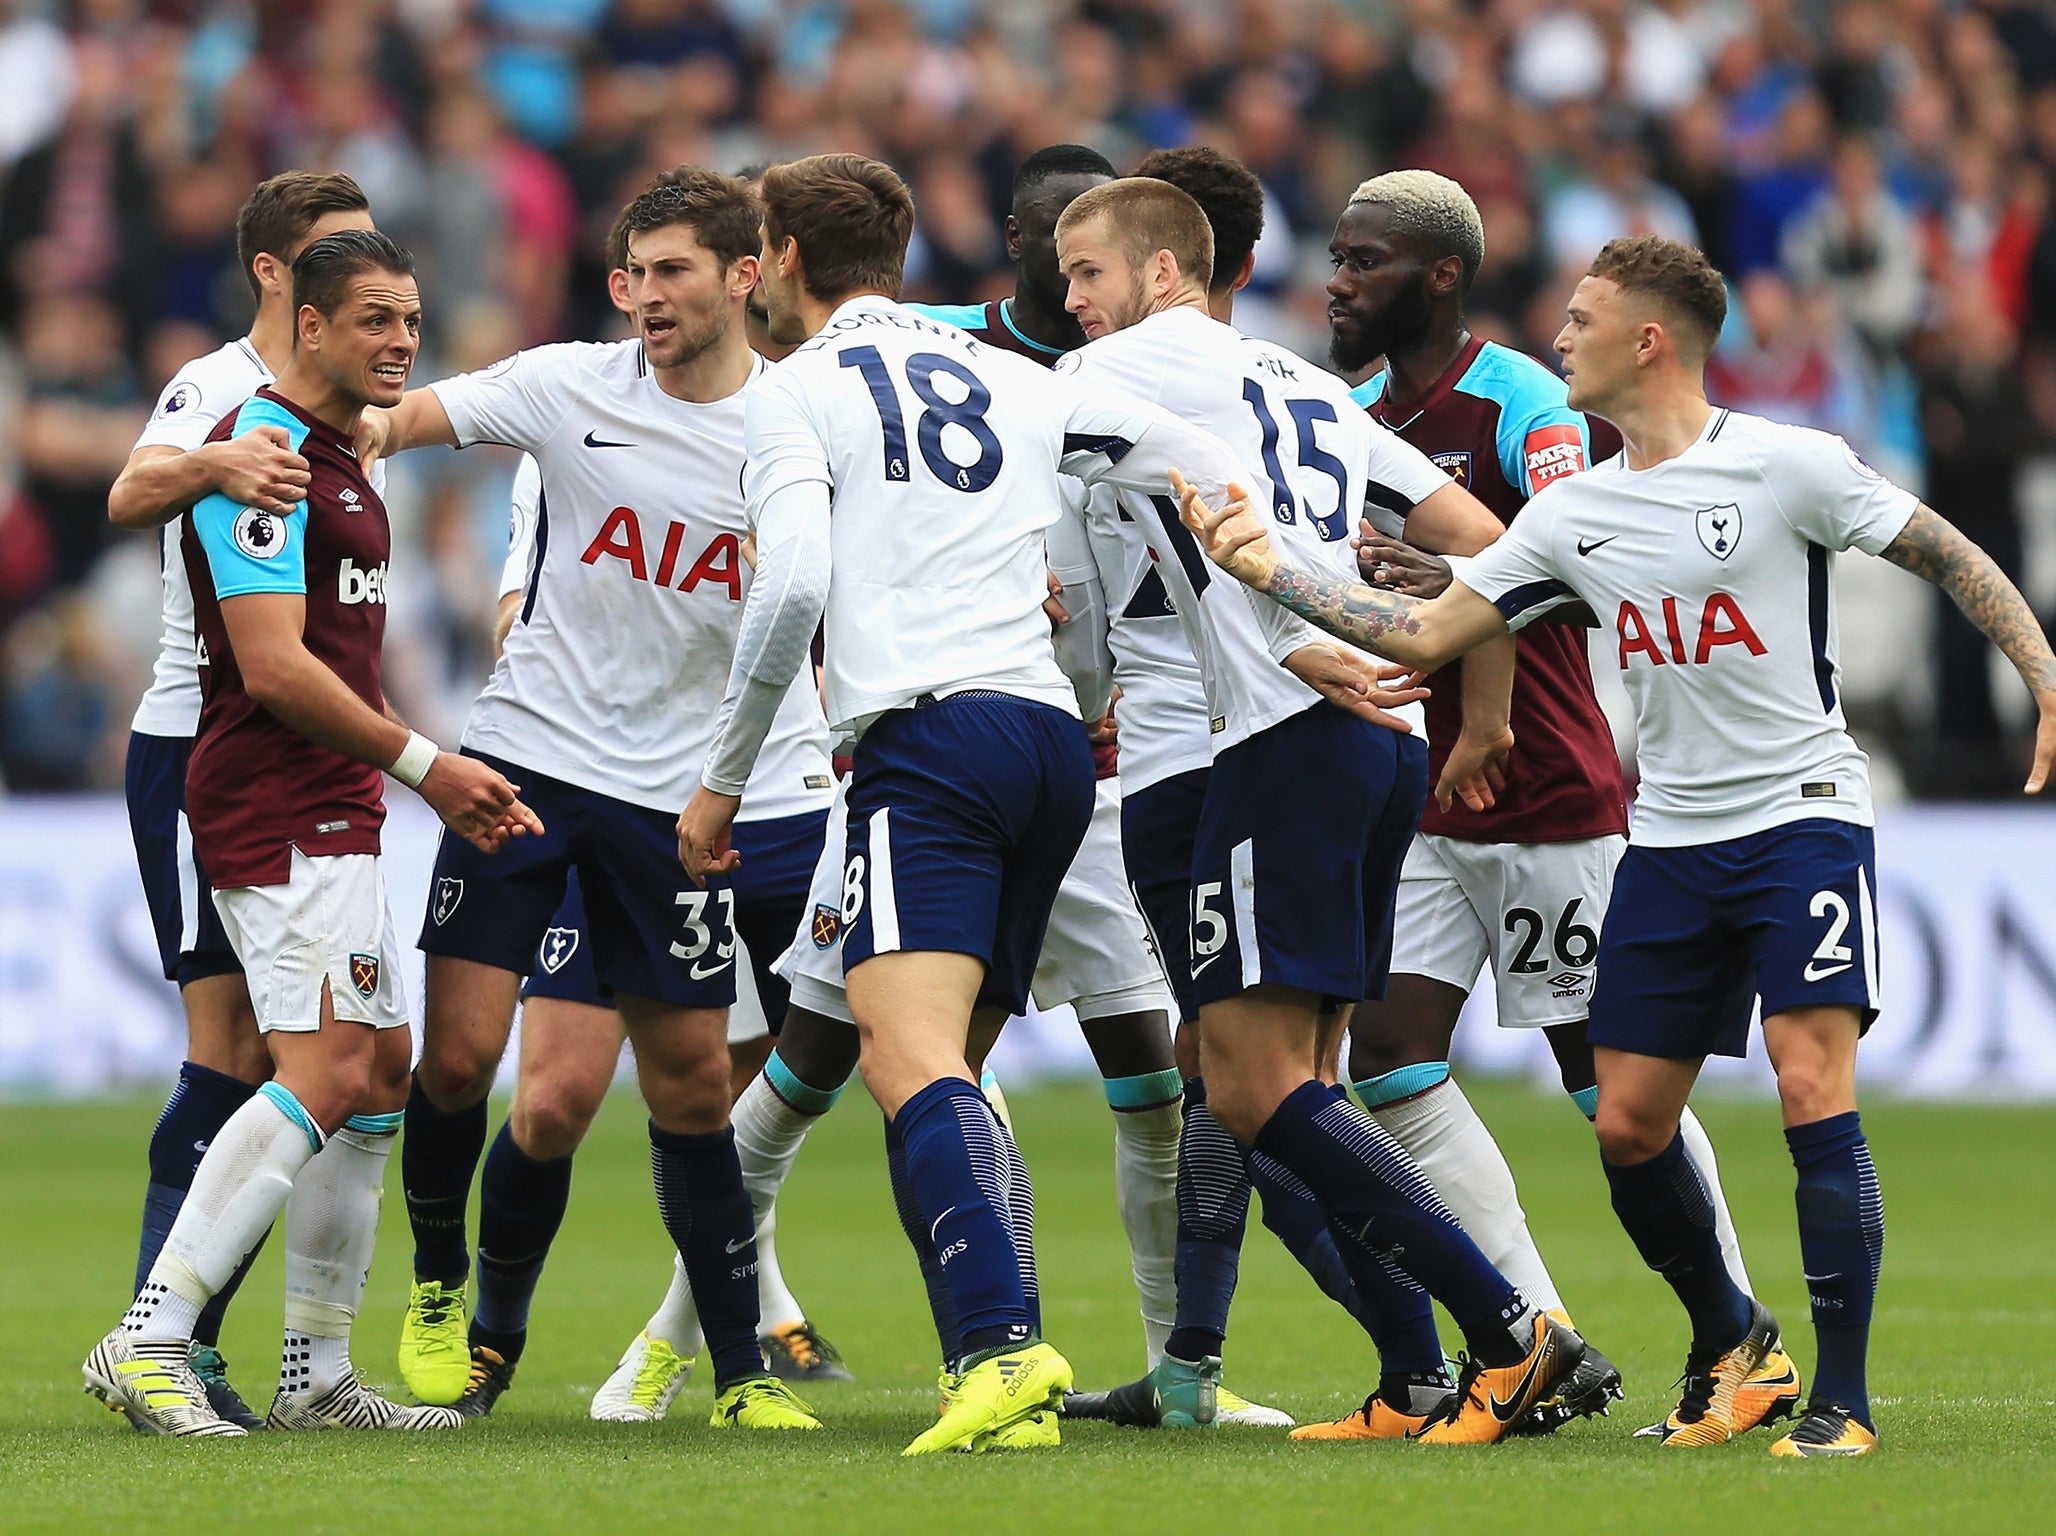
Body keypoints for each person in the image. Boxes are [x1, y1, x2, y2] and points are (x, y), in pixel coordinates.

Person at [1174, 233, 2056, 1458]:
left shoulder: (1785, 465)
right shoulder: (1570, 512)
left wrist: (2040, 668)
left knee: (1812, 1085)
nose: (1560, 337)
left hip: (1800, 816)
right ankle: (1735, 1347)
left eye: (1582, 319)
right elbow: (1426, 631)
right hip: (1667, 840)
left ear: (1650, 339)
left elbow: (1942, 550)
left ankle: (1840, 1404)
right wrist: (1271, 571)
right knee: (1626, 1122)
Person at [671, 152, 1337, 1454]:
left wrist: (723, 779)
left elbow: (793, 587)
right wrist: (1296, 615)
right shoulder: (1018, 380)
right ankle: (999, 1355)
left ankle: (1000, 1347)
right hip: (1055, 744)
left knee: (900, 1056)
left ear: (784, 261)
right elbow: (1208, 467)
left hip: (926, 740)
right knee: (956, 1060)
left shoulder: (793, 393)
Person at [1047, 175, 1602, 1447]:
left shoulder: (1112, 381)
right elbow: (1488, 543)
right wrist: (1469, 689)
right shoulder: (1301, 383)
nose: (1069, 301)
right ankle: (1419, 1368)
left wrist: (1289, 627)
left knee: (1241, 1082)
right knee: (1292, 1080)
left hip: (1267, 746)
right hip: (1377, 742)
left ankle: (1515, 1335)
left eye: (1086, 273)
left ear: (1164, 275)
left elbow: (1138, 516)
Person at [357, 168, 830, 1431]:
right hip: (525, 763)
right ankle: (444, 1289)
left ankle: (738, 1376)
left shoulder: (798, 427)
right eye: (632, 274)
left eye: (673, 271)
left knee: (687, 1087)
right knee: (462, 1064)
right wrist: (324, 434)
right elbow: (402, 421)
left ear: (743, 277)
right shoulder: (570, 385)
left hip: (670, 804)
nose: (645, 297)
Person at [1328, 169, 1793, 1439]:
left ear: (1435, 275)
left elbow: (1584, 569)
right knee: (1390, 1060)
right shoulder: (1352, 411)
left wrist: (1464, 578)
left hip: (1541, 786)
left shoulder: (1526, 400)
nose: (1338, 281)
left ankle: (1739, 1324)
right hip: (1422, 789)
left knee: (1609, 1089)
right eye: (1336, 255)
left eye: (1364, 261)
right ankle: (1538, 1334)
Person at [83, 229, 538, 1437]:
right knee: (321, 1067)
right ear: (311, 325)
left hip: (335, 793)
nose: (400, 340)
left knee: (379, 1072)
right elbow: (275, 668)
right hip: (275, 796)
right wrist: (426, 765)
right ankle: (153, 1333)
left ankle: (316, 1374)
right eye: (375, 319)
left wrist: (408, 761)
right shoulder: (270, 455)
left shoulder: (343, 455)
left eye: (410, 318)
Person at [103, 171, 373, 1429]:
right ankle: (168, 1342)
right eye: (332, 255)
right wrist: (214, 459)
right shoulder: (217, 388)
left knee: (315, 1062)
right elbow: (126, 493)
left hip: (305, 750)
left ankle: (267, 1356)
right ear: (277, 272)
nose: (357, 273)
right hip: (195, 737)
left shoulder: (344, 406)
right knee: (233, 1052)